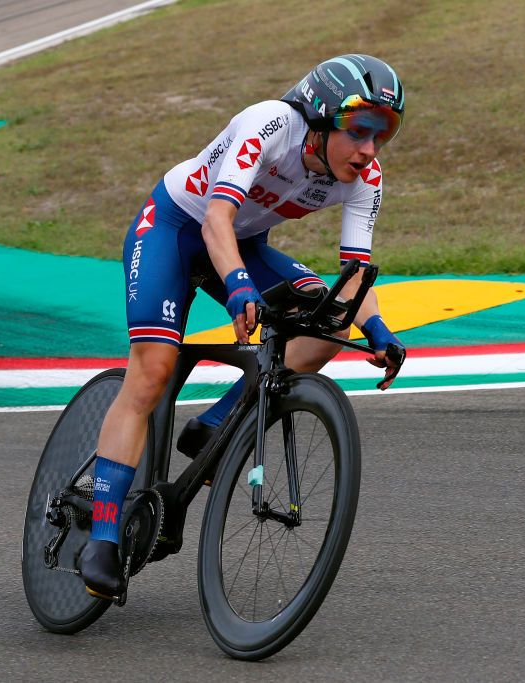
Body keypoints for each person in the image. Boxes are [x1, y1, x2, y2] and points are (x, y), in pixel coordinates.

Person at [80, 54, 408, 599]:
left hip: (243, 244)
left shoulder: (364, 177)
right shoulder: (268, 125)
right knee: (152, 372)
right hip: (175, 228)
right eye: (359, 130)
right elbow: (214, 218)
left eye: (384, 133)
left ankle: (215, 423)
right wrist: (236, 284)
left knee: (332, 325)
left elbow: (354, 276)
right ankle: (103, 536)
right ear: (322, 120)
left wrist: (381, 330)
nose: (370, 148)